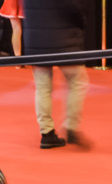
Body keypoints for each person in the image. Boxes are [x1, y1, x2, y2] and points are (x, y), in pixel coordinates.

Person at [23, 0, 89, 148]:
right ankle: (71, 127)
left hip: (36, 39)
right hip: (65, 38)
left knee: (42, 88)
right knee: (77, 81)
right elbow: (73, 7)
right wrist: (82, 22)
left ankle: (47, 132)